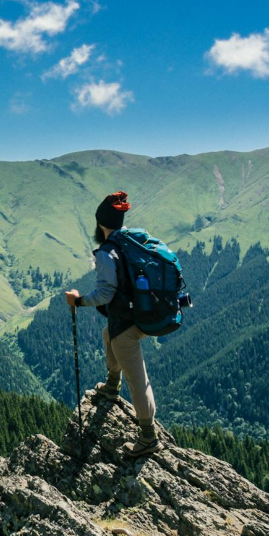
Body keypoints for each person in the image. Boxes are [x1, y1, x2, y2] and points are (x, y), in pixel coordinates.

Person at [64, 191, 162, 458]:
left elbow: (105, 294)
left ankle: (148, 437)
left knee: (137, 378)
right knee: (109, 334)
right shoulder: (132, 239)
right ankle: (111, 386)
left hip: (129, 322)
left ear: (100, 224)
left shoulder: (108, 252)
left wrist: (79, 301)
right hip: (145, 311)